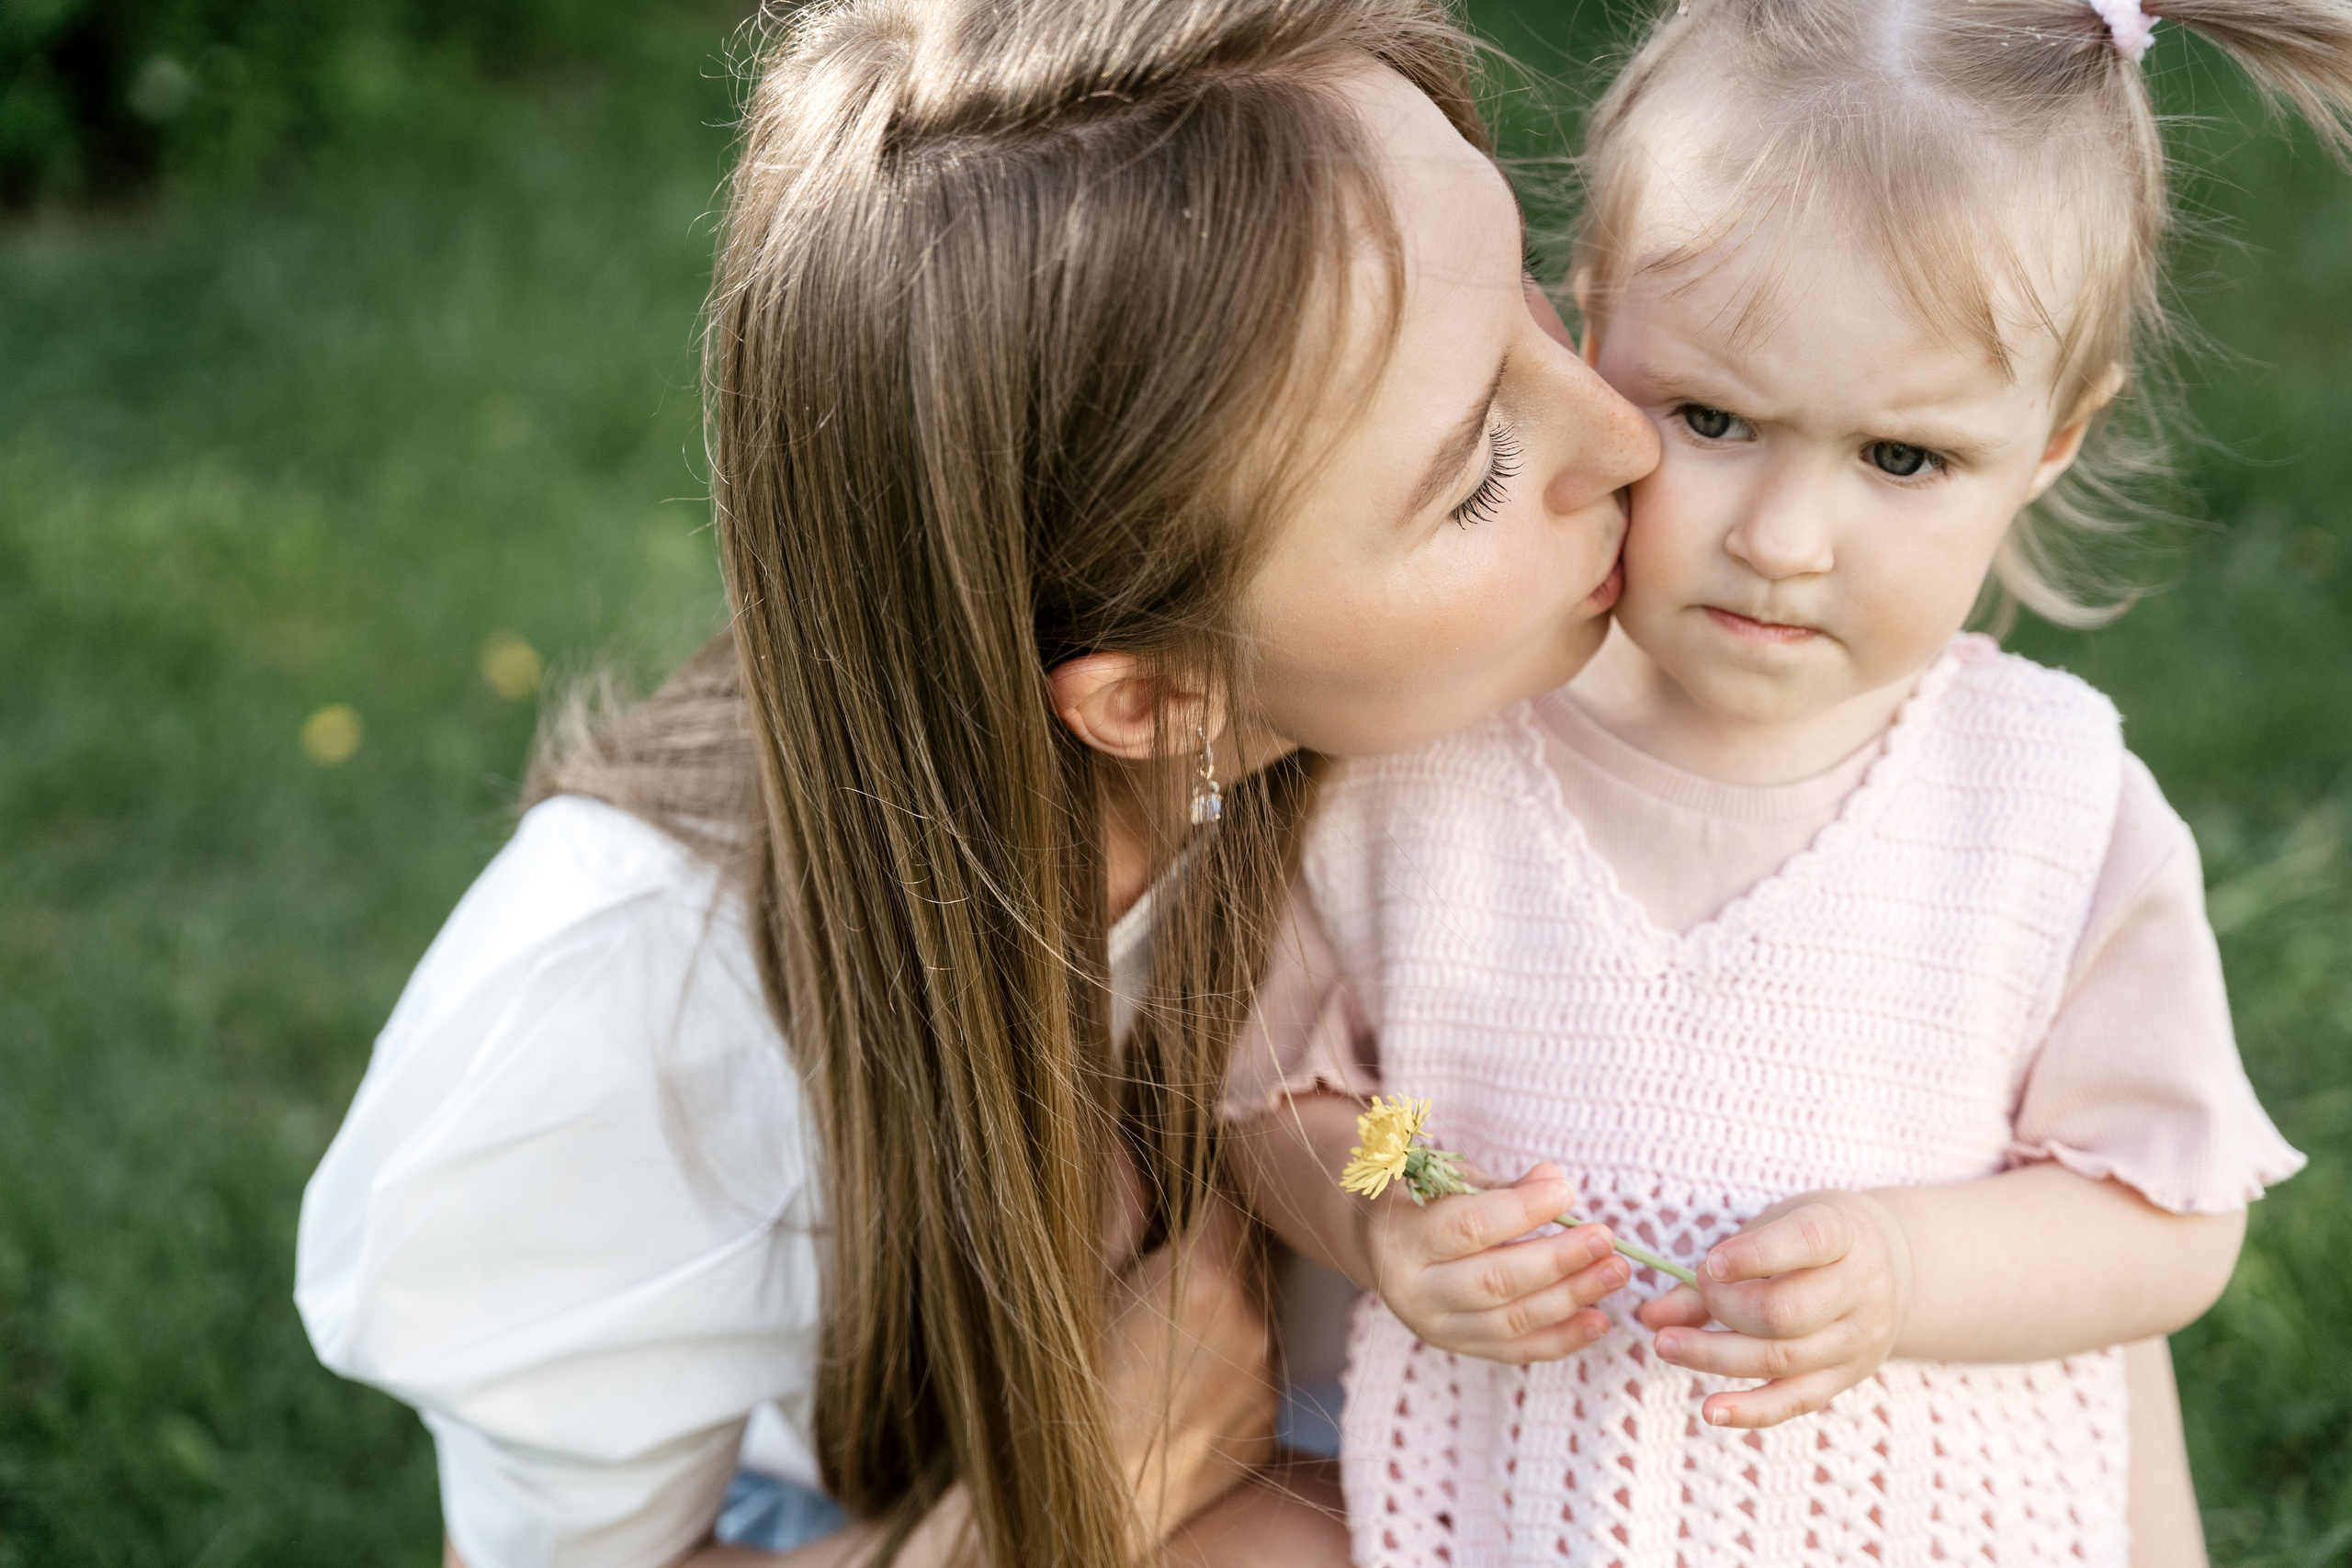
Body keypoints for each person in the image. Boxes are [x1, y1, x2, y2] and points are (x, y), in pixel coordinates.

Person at [290, 0, 1659, 1563]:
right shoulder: (640, 1026)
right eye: (1476, 464)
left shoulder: (1514, 691)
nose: (1627, 438)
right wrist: (1085, 1501)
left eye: (1536, 308)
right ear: (1156, 696)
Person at [1229, 0, 2337, 1561]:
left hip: (1918, 1519)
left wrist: (1906, 1271)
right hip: (1499, 1508)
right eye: (1714, 419)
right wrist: (1381, 1215)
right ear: (1590, 330)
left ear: (2050, 445)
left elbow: (2165, 1220)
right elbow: (1285, 1094)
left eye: (1902, 459)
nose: (1785, 539)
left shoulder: (2047, 809)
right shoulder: (1424, 766)